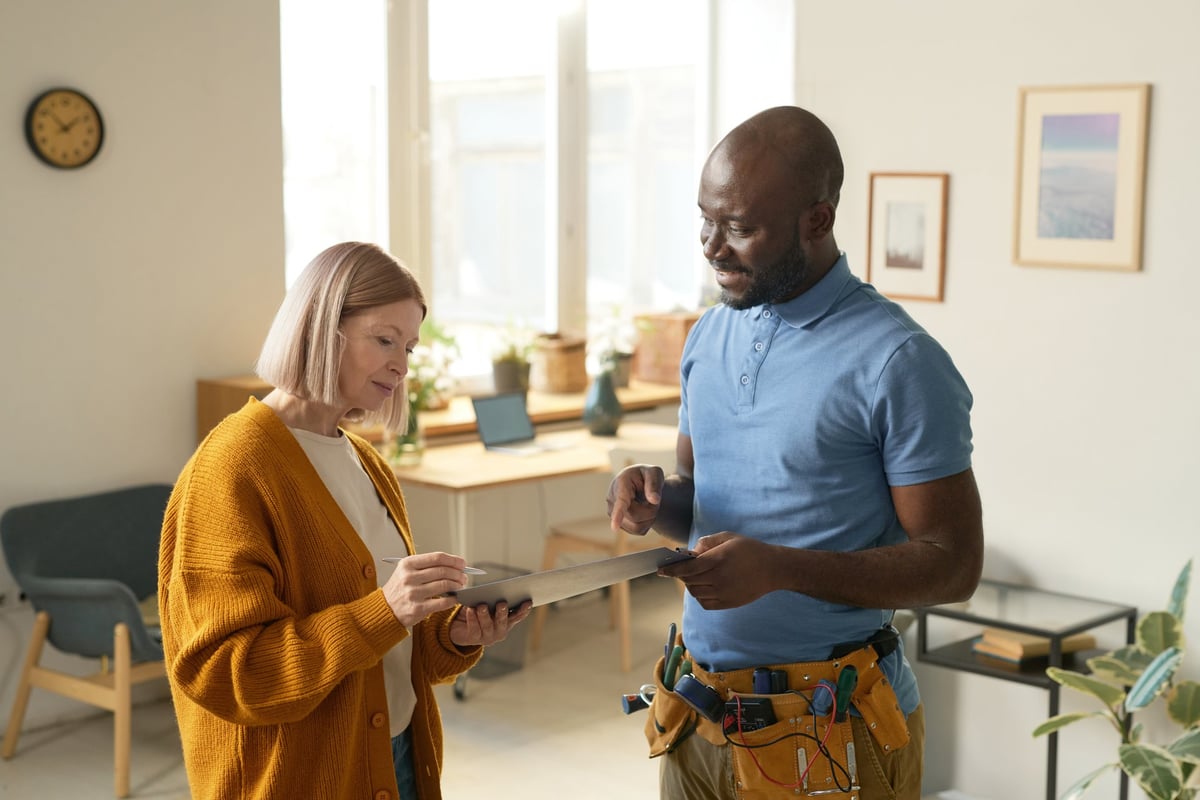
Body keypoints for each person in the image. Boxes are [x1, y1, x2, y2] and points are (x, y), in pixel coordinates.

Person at [608, 106, 983, 799]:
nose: (712, 246)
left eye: (741, 227)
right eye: (705, 219)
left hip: (832, 729)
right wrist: (657, 501)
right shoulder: (707, 339)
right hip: (696, 715)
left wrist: (778, 568)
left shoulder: (899, 360)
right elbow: (707, 506)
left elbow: (954, 566)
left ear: (817, 219)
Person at [158, 241, 531, 800]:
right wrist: (384, 611)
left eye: (408, 347)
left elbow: (389, 648)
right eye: (384, 340)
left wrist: (449, 633)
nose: (401, 366)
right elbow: (232, 673)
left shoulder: (366, 462)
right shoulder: (233, 467)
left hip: (398, 759)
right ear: (319, 327)